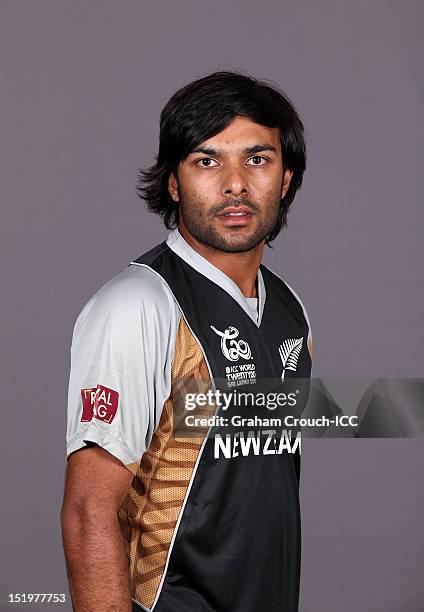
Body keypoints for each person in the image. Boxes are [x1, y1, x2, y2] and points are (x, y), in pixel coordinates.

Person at [60, 70, 313, 612]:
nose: (235, 184)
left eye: (258, 159)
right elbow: (88, 511)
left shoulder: (291, 311)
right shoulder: (138, 304)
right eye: (206, 160)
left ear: (286, 178)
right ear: (173, 182)